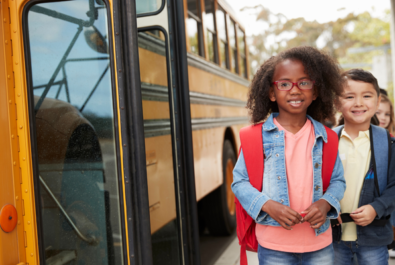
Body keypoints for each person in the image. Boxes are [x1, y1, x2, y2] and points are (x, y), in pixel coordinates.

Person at [232, 46, 346, 265]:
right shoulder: (255, 137)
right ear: (271, 92)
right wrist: (267, 205)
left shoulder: (328, 137)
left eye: (304, 82)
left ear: (315, 91)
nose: (295, 90)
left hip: (319, 243)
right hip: (274, 245)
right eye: (284, 84)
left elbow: (338, 180)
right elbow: (239, 182)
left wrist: (325, 203)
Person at [333, 69, 395, 265]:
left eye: (366, 96)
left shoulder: (388, 144)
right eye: (349, 96)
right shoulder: (326, 141)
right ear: (337, 103)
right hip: (333, 239)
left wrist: (376, 208)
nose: (358, 103)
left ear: (377, 102)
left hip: (373, 240)